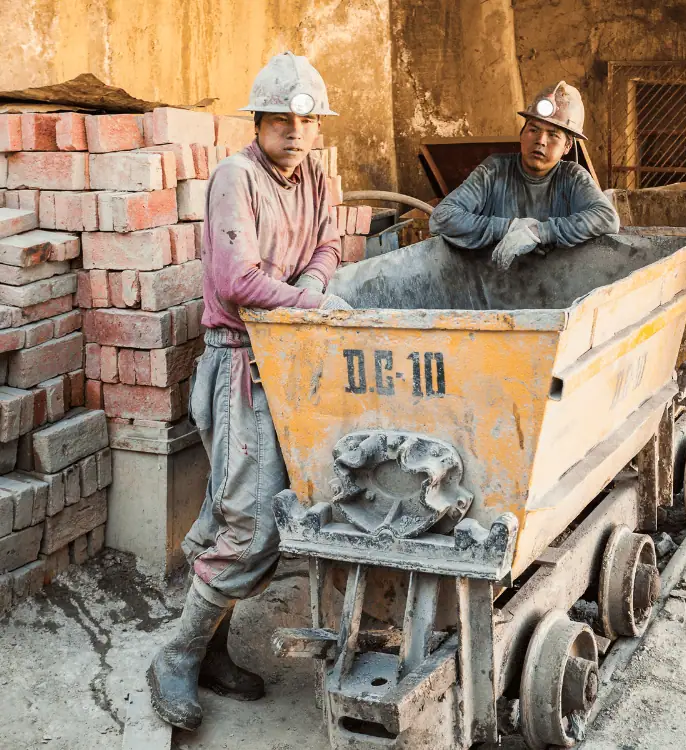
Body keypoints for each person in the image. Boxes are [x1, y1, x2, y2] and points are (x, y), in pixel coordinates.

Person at [146, 52, 351, 731]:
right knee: (252, 525)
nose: (294, 130)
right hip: (242, 368)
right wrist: (311, 306)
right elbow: (236, 280)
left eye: (305, 120)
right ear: (258, 122)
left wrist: (315, 288)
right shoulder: (236, 178)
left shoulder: (317, 174)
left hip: (290, 360)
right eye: (280, 119)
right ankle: (176, 656)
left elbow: (330, 241)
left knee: (253, 512)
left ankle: (210, 652)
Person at [429, 81, 619, 268]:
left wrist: (538, 232)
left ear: (567, 146)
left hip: (554, 284)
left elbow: (607, 218)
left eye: (553, 134)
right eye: (533, 129)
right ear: (521, 133)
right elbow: (442, 217)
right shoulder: (495, 170)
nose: (540, 141)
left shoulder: (572, 176)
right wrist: (509, 227)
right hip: (495, 281)